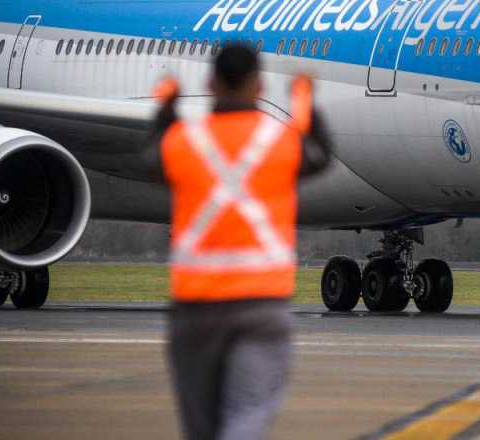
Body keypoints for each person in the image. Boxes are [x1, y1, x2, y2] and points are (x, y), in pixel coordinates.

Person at [144, 44, 332, 440]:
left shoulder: (184, 139)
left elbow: (151, 160)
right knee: (246, 415)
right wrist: (305, 100)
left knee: (200, 427)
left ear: (210, 83)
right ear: (260, 85)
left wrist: (165, 108)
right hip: (261, 306)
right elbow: (320, 154)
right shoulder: (279, 141)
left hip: (196, 310)